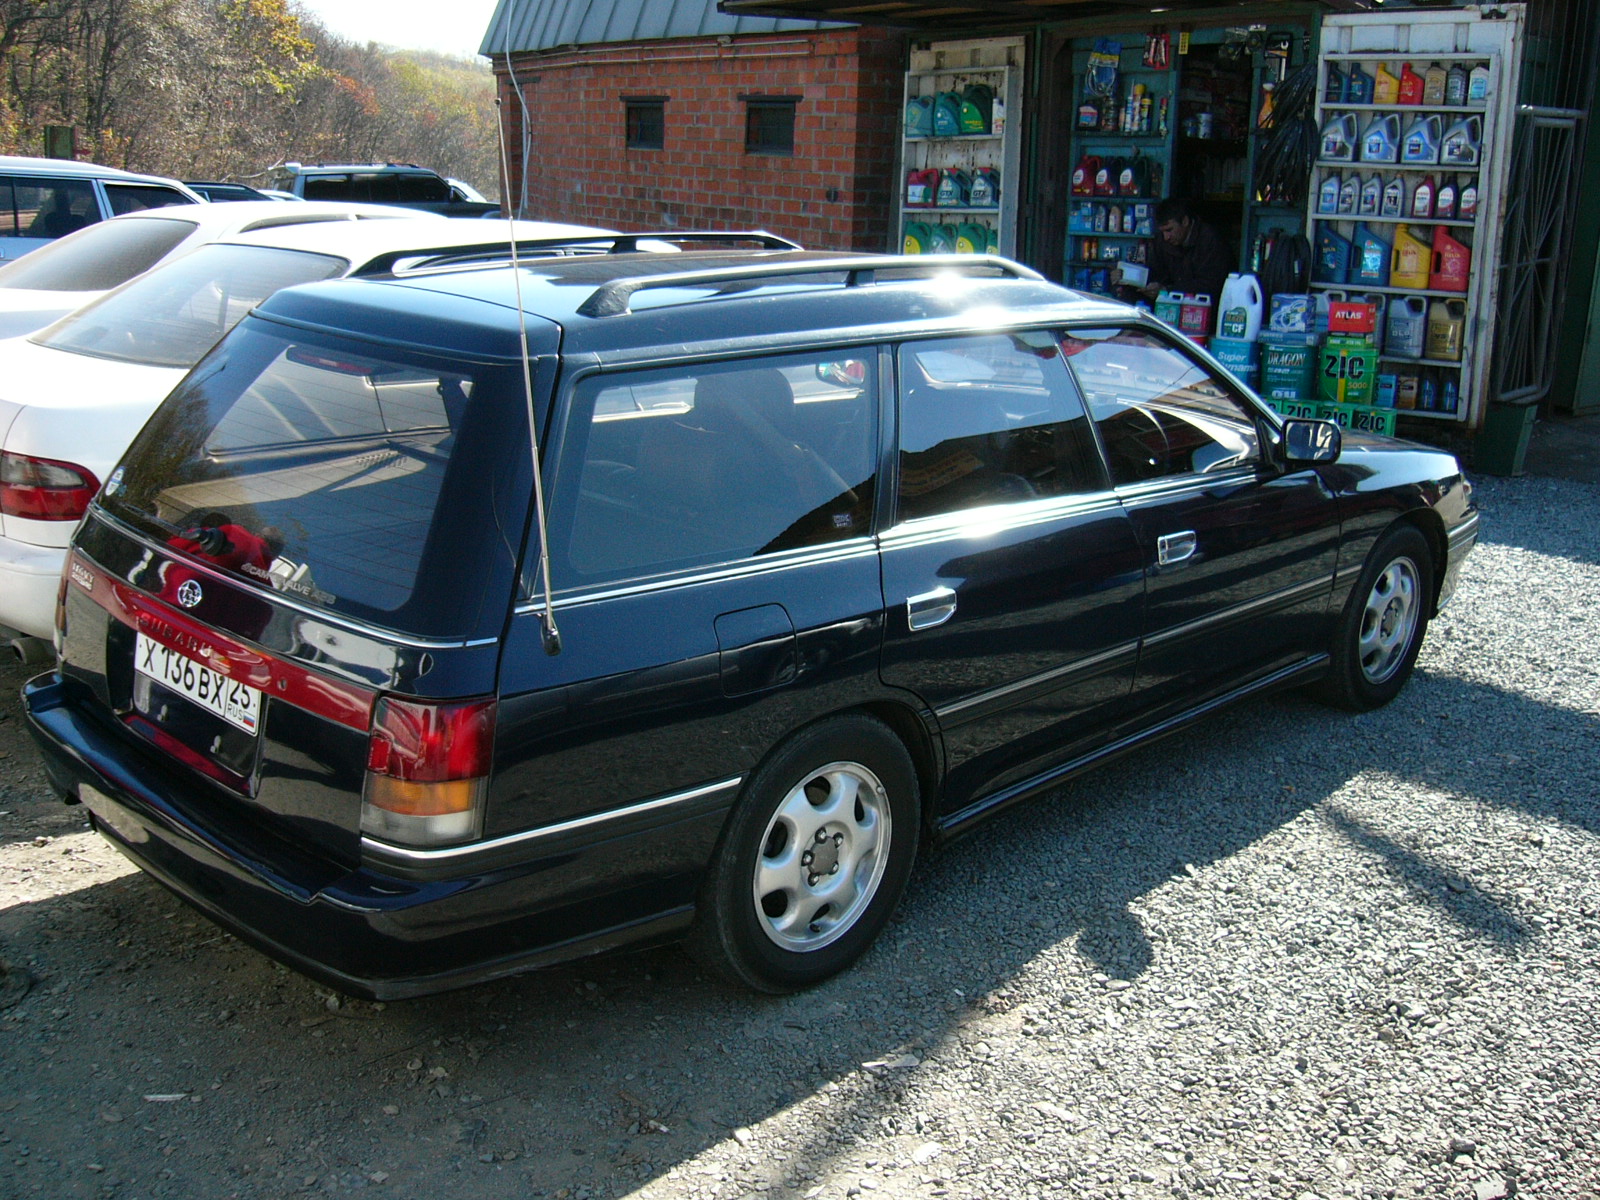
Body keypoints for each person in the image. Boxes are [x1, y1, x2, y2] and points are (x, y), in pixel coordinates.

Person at [1119, 198, 1232, 306]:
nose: (1166, 237)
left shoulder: (1210, 240)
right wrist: (1126, 277)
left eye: (1169, 230)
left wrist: (1167, 290)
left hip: (1201, 308)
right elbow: (1154, 272)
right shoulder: (1162, 241)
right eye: (1162, 232)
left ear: (1185, 221)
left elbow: (1211, 285)